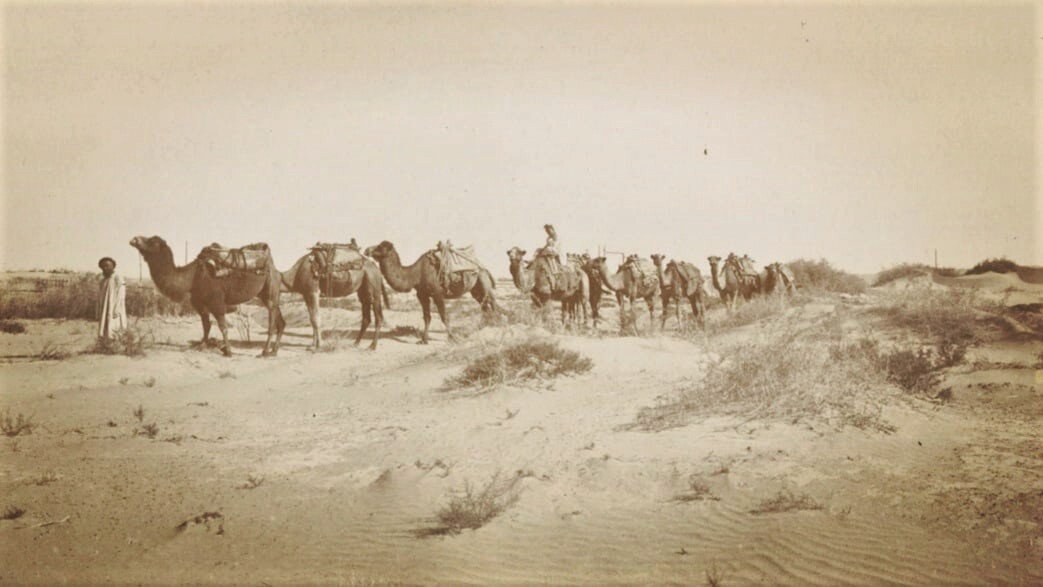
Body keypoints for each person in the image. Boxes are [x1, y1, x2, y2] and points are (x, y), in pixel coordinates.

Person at [97, 257, 127, 339]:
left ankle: (115, 343)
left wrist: (117, 308)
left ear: (113, 266)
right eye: (103, 266)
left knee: (115, 325)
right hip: (105, 308)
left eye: (107, 266)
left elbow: (121, 294)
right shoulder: (103, 281)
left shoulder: (118, 277)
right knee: (105, 324)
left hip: (115, 307)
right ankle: (106, 342)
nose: (105, 268)